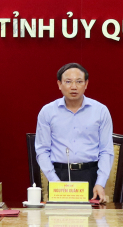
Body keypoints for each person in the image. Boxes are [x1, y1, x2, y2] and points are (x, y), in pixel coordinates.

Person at [34, 63, 114, 203]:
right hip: (59, 175)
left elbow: (106, 150)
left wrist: (100, 182)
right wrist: (54, 181)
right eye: (68, 82)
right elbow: (42, 150)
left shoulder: (101, 111)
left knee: (92, 223)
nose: (74, 87)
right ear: (59, 84)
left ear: (86, 84)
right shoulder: (47, 112)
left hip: (90, 174)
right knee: (59, 223)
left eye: (79, 81)